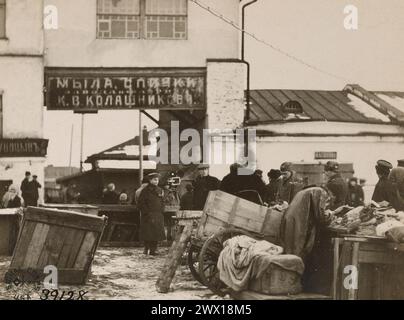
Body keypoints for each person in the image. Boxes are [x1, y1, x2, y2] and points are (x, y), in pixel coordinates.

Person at [280, 187, 334, 294]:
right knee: (298, 252)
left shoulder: (307, 190)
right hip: (298, 222)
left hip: (290, 219)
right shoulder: (320, 192)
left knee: (290, 251)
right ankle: (294, 285)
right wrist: (331, 215)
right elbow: (320, 216)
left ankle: (287, 284)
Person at [137, 173, 166, 256]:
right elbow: (141, 203)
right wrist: (147, 212)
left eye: (157, 180)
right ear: (150, 180)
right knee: (148, 233)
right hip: (148, 215)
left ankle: (153, 250)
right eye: (154, 180)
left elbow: (162, 201)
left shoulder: (160, 190)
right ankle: (146, 249)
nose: (156, 181)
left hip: (158, 214)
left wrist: (161, 210)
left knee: (156, 233)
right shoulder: (145, 190)